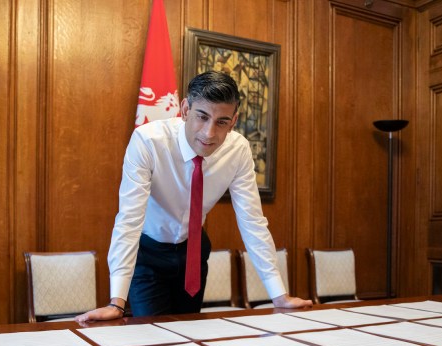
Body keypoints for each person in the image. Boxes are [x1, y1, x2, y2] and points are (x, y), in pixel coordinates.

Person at [76, 71, 311, 322]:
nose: (209, 133)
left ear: (234, 121)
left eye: (221, 122)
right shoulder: (148, 141)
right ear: (185, 109)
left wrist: (279, 295)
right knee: (152, 339)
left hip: (194, 252)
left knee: (189, 336)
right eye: (202, 117)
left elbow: (252, 221)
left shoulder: (238, 150)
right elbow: (129, 219)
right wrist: (117, 303)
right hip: (148, 253)